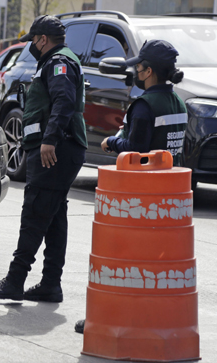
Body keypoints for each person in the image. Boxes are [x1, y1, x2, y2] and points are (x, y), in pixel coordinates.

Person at [74, 40, 187, 335]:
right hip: (170, 198)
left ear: (148, 71)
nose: (135, 72)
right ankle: (150, 318)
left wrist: (112, 142)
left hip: (140, 197)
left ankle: (110, 318)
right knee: (157, 266)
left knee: (124, 262)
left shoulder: (144, 106)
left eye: (138, 67)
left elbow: (136, 149)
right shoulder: (178, 103)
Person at [0, 15, 87, 303]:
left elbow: (64, 100)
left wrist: (50, 139)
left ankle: (14, 281)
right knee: (54, 217)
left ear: (42, 40)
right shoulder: (56, 60)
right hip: (60, 147)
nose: (31, 46)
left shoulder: (59, 62)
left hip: (56, 149)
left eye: (33, 41)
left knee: (35, 213)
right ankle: (50, 284)